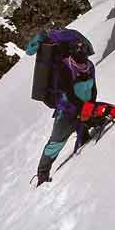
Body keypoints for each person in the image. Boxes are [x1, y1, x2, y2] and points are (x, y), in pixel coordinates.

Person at [36, 40, 97, 187]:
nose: (82, 52)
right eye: (78, 49)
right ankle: (42, 174)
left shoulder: (89, 66)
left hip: (83, 106)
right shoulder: (65, 67)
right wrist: (86, 107)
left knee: (86, 121)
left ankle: (83, 135)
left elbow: (93, 88)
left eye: (83, 49)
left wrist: (90, 106)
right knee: (56, 142)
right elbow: (69, 94)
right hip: (66, 111)